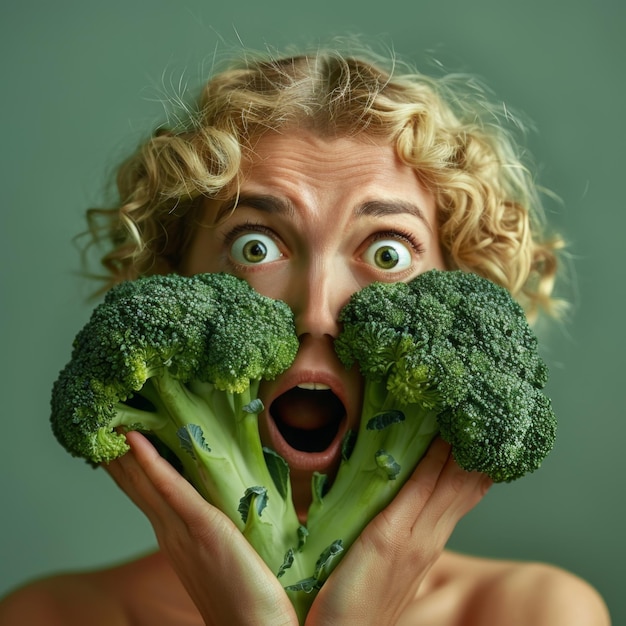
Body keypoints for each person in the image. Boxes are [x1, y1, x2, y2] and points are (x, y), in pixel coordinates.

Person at [0, 45, 611, 625]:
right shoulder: (51, 618)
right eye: (255, 245)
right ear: (171, 275)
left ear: (462, 286)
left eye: (389, 252)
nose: (316, 311)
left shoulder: (534, 612)